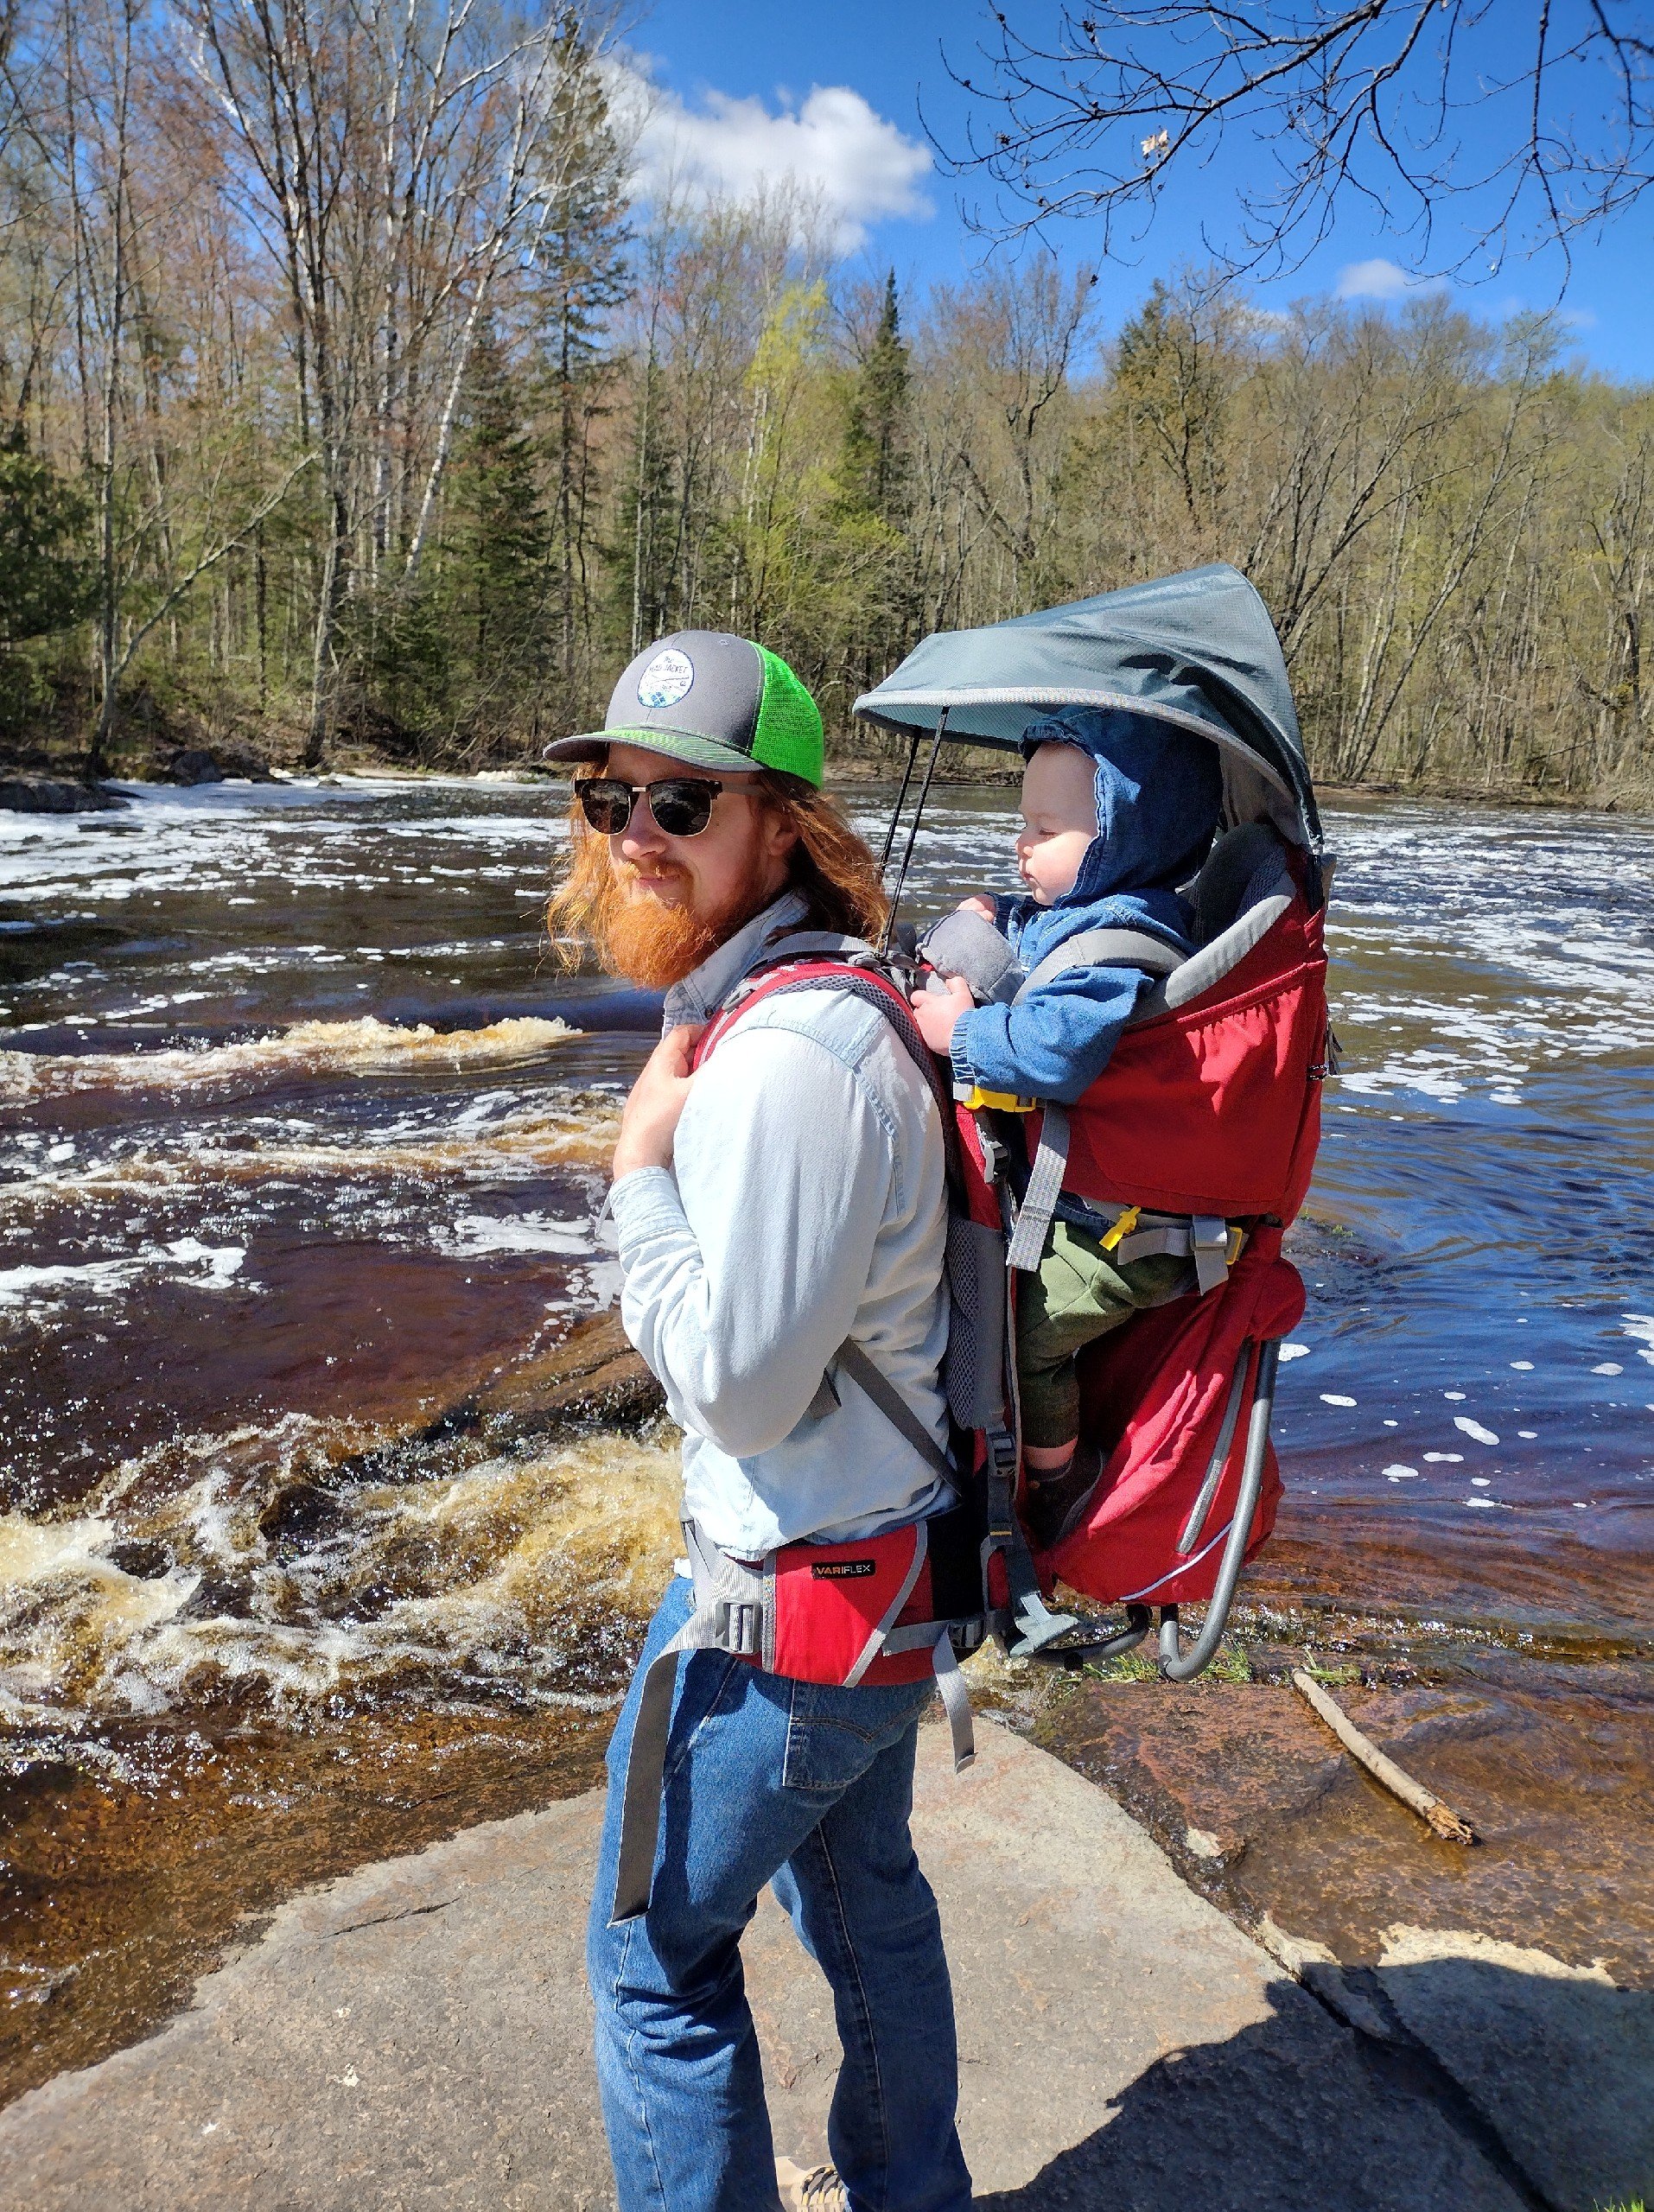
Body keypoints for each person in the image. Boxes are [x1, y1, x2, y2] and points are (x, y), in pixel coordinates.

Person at [545, 628, 972, 2212]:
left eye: (681, 805)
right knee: (868, 1908)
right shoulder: (804, 1002)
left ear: (777, 825)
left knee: (649, 1966)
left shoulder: (785, 1053)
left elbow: (734, 1381)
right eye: (612, 804)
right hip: (878, 1585)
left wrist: (636, 1169)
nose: (635, 841)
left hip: (784, 1615)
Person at [907, 706, 1223, 1546]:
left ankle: (1058, 1482)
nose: (1022, 844)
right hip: (1089, 1200)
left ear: (1123, 841)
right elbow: (1035, 932)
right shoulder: (1080, 907)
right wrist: (990, 918)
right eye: (1023, 823)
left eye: (1045, 827)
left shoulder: (1122, 940)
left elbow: (1056, 1053)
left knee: (1033, 1333)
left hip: (1123, 1234)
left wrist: (958, 1034)